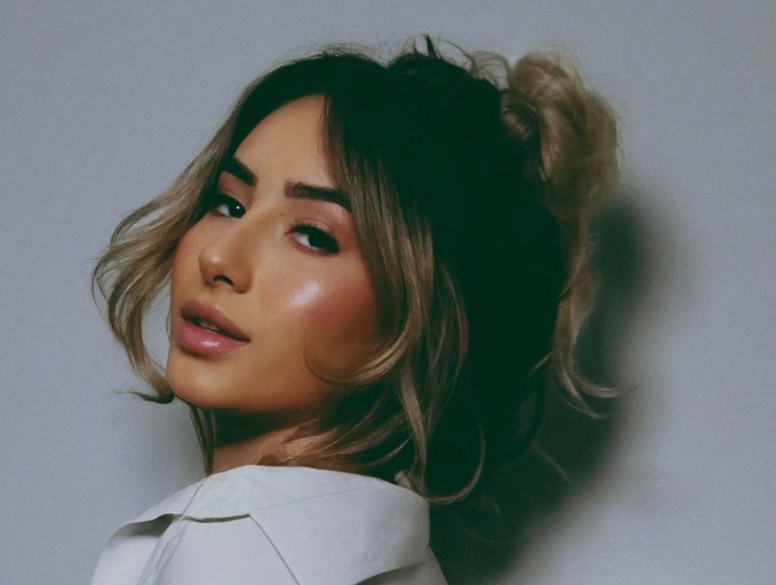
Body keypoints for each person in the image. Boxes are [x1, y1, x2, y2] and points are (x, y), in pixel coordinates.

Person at [88, 33, 619, 585]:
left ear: (425, 317)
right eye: (229, 203)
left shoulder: (234, 552)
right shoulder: (398, 564)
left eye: (313, 236)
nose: (219, 257)